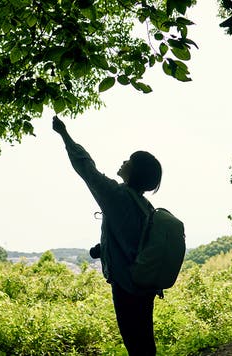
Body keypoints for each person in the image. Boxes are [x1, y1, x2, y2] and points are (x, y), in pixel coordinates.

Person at [52, 116, 162, 356]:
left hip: (126, 286)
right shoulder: (146, 207)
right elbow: (132, 242)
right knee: (143, 339)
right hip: (145, 284)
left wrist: (64, 134)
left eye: (130, 160)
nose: (124, 161)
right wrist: (102, 249)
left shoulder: (117, 196)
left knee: (135, 343)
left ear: (136, 171)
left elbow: (86, 167)